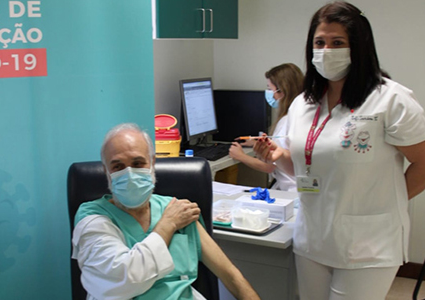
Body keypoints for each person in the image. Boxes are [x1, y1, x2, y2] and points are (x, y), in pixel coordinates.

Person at [254, 2, 425, 300]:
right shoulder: (303, 104)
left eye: (337, 43)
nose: (326, 50)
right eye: (320, 42)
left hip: (368, 242)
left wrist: (389, 199)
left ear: (359, 48)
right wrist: (278, 157)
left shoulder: (390, 99)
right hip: (312, 238)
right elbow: (305, 169)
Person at [71, 123, 261, 300]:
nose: (129, 174)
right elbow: (125, 279)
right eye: (118, 166)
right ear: (106, 172)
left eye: (138, 163)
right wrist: (167, 225)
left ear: (152, 163)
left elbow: (231, 276)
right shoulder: (93, 218)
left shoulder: (177, 209)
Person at [228, 63, 304, 192]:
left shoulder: (287, 121)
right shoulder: (300, 115)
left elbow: (270, 166)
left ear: (282, 91)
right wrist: (258, 144)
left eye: (270, 88)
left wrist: (240, 156)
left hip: (291, 190)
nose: (270, 94)